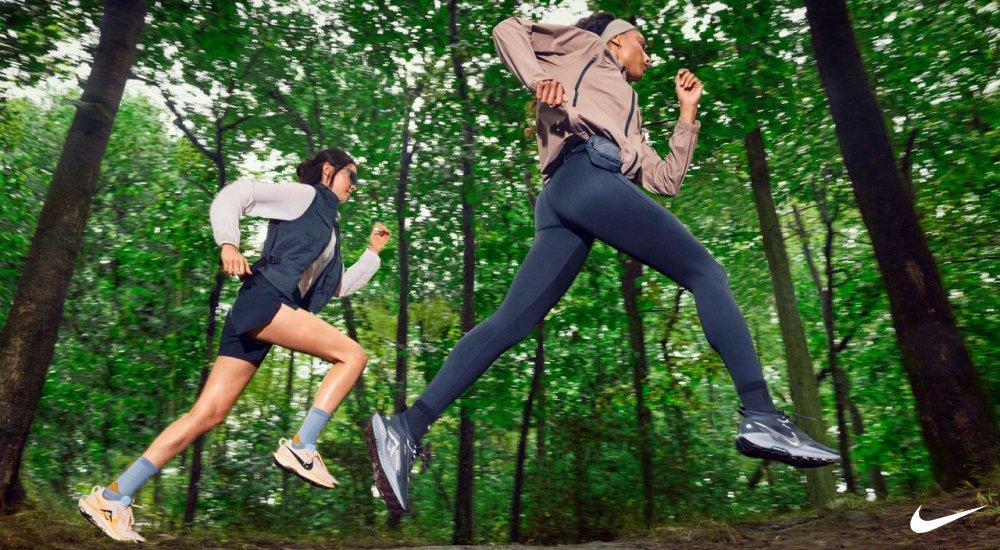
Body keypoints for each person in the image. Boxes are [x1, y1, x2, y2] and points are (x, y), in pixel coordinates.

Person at [365, 12, 839, 515]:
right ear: (619, 39)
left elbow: (664, 180)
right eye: (644, 43)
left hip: (568, 197)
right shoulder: (585, 46)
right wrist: (537, 79)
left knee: (511, 323)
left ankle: (405, 428)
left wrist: (687, 114)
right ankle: (761, 413)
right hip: (584, 174)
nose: (650, 57)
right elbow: (507, 28)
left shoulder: (629, 115)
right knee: (706, 273)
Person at [78, 148, 391, 542]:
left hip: (262, 313)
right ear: (329, 171)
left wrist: (373, 253)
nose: (354, 187)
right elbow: (236, 194)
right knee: (353, 355)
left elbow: (337, 286)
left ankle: (112, 497)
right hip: (265, 301)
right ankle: (302, 446)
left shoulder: (328, 228)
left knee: (206, 414)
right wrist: (228, 242)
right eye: (352, 177)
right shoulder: (305, 196)